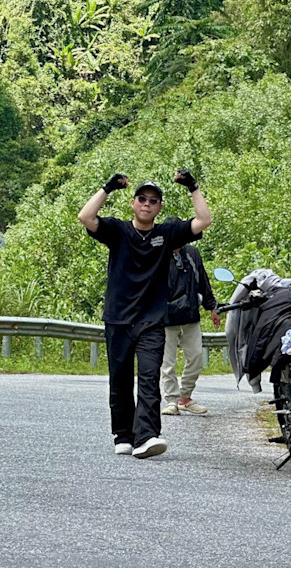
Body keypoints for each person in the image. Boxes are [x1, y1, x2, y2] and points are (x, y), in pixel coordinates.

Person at [79, 170, 212, 459]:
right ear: (133, 203)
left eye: (153, 200)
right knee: (121, 380)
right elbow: (86, 217)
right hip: (118, 318)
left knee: (150, 377)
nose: (147, 204)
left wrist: (193, 187)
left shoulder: (166, 233)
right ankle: (123, 435)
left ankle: (147, 436)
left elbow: (203, 220)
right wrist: (107, 188)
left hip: (152, 321)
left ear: (160, 207)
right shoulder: (118, 231)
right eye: (142, 199)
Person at [161, 243, 220, 417]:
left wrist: (212, 308)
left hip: (190, 315)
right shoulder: (156, 252)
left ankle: (185, 398)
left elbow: (203, 280)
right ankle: (172, 401)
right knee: (167, 363)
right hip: (165, 318)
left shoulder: (192, 253)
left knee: (196, 358)